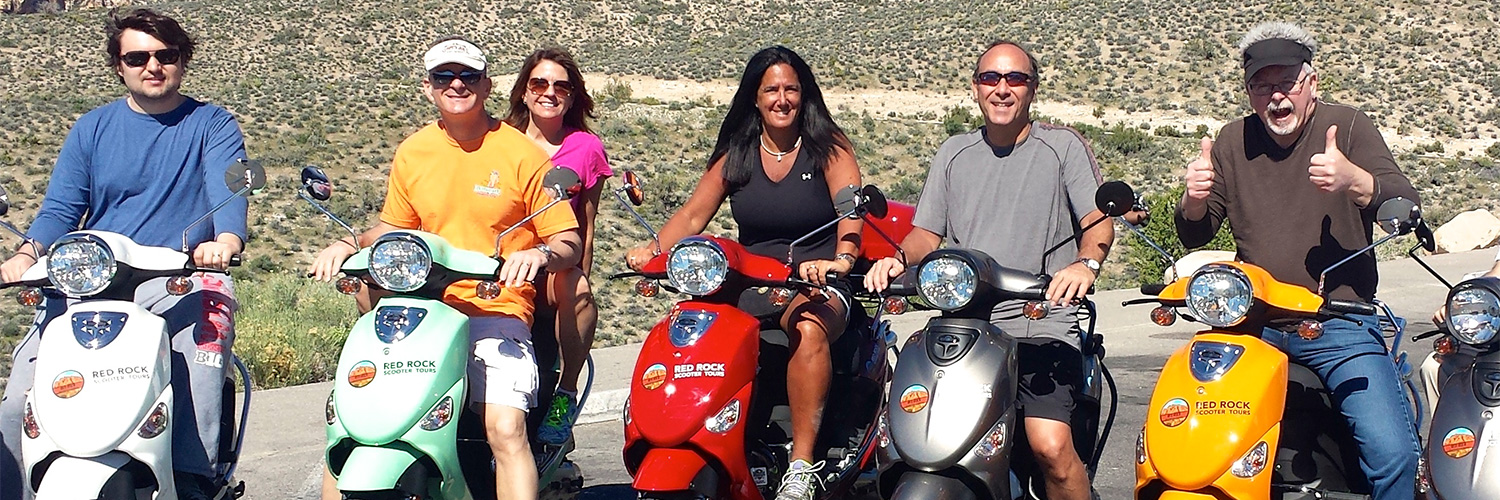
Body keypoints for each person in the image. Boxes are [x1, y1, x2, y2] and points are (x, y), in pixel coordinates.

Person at [310, 36, 582, 500]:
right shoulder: (414, 152)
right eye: (443, 76)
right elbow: (392, 227)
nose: (456, 84)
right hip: (422, 310)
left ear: (488, 85)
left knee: (505, 428)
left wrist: (538, 255)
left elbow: (567, 238)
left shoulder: (520, 153)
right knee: (355, 426)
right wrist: (346, 243)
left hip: (495, 307)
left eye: (468, 76)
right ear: (427, 87)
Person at [0, 8, 247, 499]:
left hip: (180, 273)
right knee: (20, 394)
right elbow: (61, 208)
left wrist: (225, 242)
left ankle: (194, 484)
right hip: (92, 280)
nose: (152, 66)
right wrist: (25, 256)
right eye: (137, 57)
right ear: (119, 65)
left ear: (182, 60)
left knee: (196, 366)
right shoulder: (92, 128)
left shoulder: (212, 123)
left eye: (166, 55)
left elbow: (230, 189)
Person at [1173, 22, 1420, 499]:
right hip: (1251, 324)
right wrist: (1195, 199)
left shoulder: (1346, 126)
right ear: (1249, 93)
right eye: (1262, 86)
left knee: (1394, 455)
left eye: (1286, 82)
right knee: (1193, 443)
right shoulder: (1230, 140)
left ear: (1311, 84)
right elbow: (1194, 232)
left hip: (1338, 325)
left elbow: (1405, 206)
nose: (1277, 97)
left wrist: (1355, 182)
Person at [865, 40, 1113, 500]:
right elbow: (926, 234)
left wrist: (1086, 264)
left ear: (1032, 89)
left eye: (1015, 78)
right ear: (976, 89)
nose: (1002, 89)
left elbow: (1096, 222)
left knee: (1051, 446)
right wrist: (897, 259)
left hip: (1040, 317)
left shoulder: (1061, 147)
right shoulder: (954, 153)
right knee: (917, 438)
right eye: (990, 78)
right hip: (966, 326)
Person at [624, 45, 861, 500]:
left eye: (791, 88)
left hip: (813, 281)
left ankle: (801, 465)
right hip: (751, 279)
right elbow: (694, 216)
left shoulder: (829, 147)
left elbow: (851, 213)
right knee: (689, 328)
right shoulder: (738, 152)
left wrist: (841, 260)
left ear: (804, 94)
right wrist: (653, 251)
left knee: (809, 328)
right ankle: (699, 435)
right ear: (754, 97)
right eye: (771, 89)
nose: (781, 99)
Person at [501, 47, 612, 447]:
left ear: (572, 95)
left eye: (560, 86)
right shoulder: (501, 141)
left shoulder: (586, 149)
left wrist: (579, 271)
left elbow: (587, 222)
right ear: (524, 93)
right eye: (539, 83)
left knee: (578, 291)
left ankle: (565, 394)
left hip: (552, 267)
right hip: (499, 264)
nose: (549, 92)